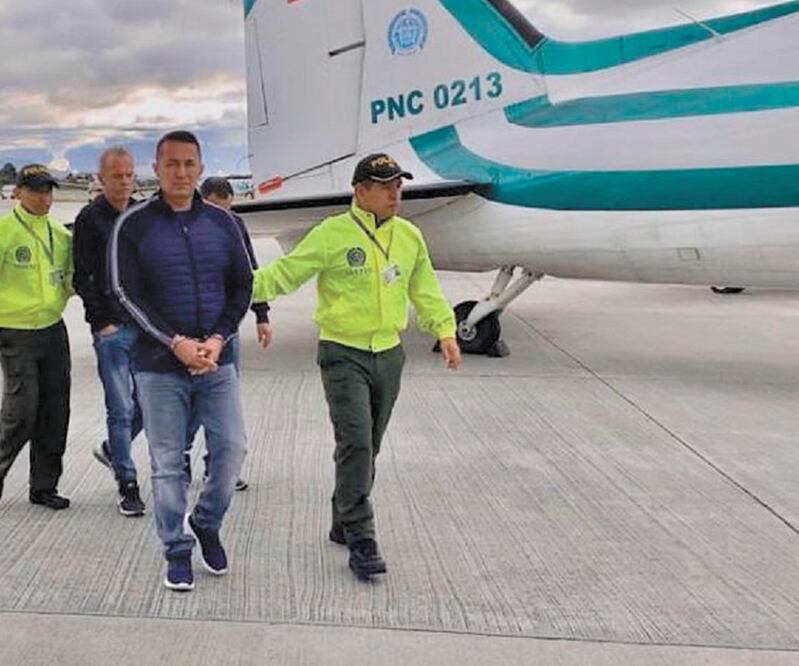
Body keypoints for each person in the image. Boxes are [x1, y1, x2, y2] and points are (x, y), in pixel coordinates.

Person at [252, 153, 461, 580]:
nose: (394, 194)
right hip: (342, 353)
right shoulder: (332, 233)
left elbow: (424, 288)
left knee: (369, 446)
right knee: (357, 444)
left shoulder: (409, 236)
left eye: (398, 185)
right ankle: (362, 538)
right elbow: (286, 274)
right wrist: (232, 287)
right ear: (360, 191)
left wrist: (445, 329)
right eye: (384, 186)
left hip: (389, 354)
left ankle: (342, 518)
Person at [110, 131, 254, 591]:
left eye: (189, 164)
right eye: (171, 164)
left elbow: (242, 285)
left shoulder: (222, 222)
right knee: (168, 462)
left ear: (201, 167)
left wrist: (217, 338)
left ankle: (206, 521)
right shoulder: (134, 225)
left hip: (216, 361)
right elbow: (125, 293)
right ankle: (176, 550)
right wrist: (174, 343)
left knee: (231, 449)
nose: (181, 172)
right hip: (158, 366)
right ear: (156, 168)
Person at [181, 176, 272, 492]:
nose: (222, 215)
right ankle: (181, 456)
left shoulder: (234, 224)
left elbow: (250, 272)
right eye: (216, 208)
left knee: (223, 402)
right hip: (191, 331)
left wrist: (261, 314)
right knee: (193, 400)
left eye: (227, 209)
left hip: (226, 330)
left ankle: (218, 466)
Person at [73, 146, 145, 517]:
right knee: (120, 408)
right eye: (117, 176)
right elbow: (82, 276)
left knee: (148, 404)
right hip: (112, 328)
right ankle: (127, 483)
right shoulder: (89, 219)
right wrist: (102, 322)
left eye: (129, 175)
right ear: (101, 179)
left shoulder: (142, 215)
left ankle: (113, 449)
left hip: (145, 326)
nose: (124, 181)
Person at [0, 165, 74, 509]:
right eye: (36, 190)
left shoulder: (59, 233)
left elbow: (70, 279)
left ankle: (44, 486)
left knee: (55, 412)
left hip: (52, 329)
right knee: (21, 413)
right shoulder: (5, 231)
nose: (45, 198)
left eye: (48, 190)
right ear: (19, 192)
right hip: (15, 332)